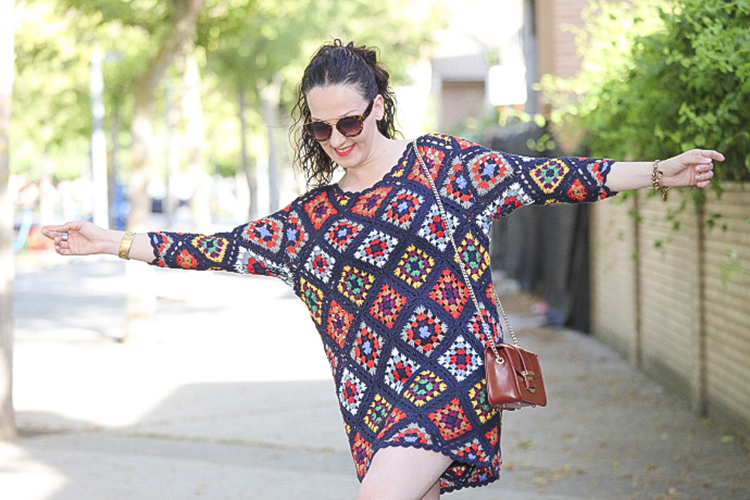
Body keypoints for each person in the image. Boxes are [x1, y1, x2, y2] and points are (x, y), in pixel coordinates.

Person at [42, 39, 723, 500]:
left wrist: (657, 171)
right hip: (373, 399)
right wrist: (110, 242)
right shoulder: (312, 222)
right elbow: (218, 247)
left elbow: (552, 177)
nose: (338, 140)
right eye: (321, 129)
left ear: (379, 106)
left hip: (454, 380)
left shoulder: (444, 168)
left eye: (350, 122)